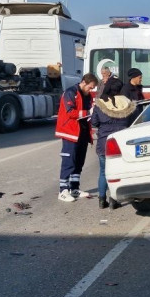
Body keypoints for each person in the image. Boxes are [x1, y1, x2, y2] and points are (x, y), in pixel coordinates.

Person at [55, 73, 99, 202]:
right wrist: (88, 112)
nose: (91, 90)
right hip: (70, 132)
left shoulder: (88, 95)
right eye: (90, 88)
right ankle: (63, 190)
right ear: (84, 82)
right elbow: (70, 112)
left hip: (83, 132)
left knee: (79, 162)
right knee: (69, 161)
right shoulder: (70, 92)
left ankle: (74, 188)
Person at [91, 83, 135, 209]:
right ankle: (113, 199)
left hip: (104, 143)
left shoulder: (100, 104)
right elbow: (132, 121)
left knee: (103, 172)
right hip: (120, 144)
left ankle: (101, 199)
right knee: (118, 172)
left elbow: (94, 122)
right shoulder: (126, 103)